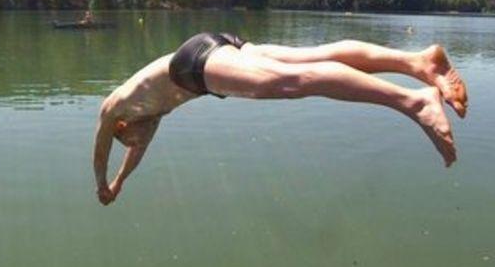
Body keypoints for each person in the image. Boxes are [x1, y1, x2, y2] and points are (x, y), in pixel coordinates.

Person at [94, 32, 468, 205]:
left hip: (193, 66)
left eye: (134, 138)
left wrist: (100, 183)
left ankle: (414, 102)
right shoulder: (146, 116)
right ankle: (418, 62)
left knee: (293, 82)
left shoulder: (114, 107)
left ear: (122, 127)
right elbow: (135, 153)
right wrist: (119, 183)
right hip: (215, 46)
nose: (142, 140)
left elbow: (100, 145)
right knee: (314, 56)